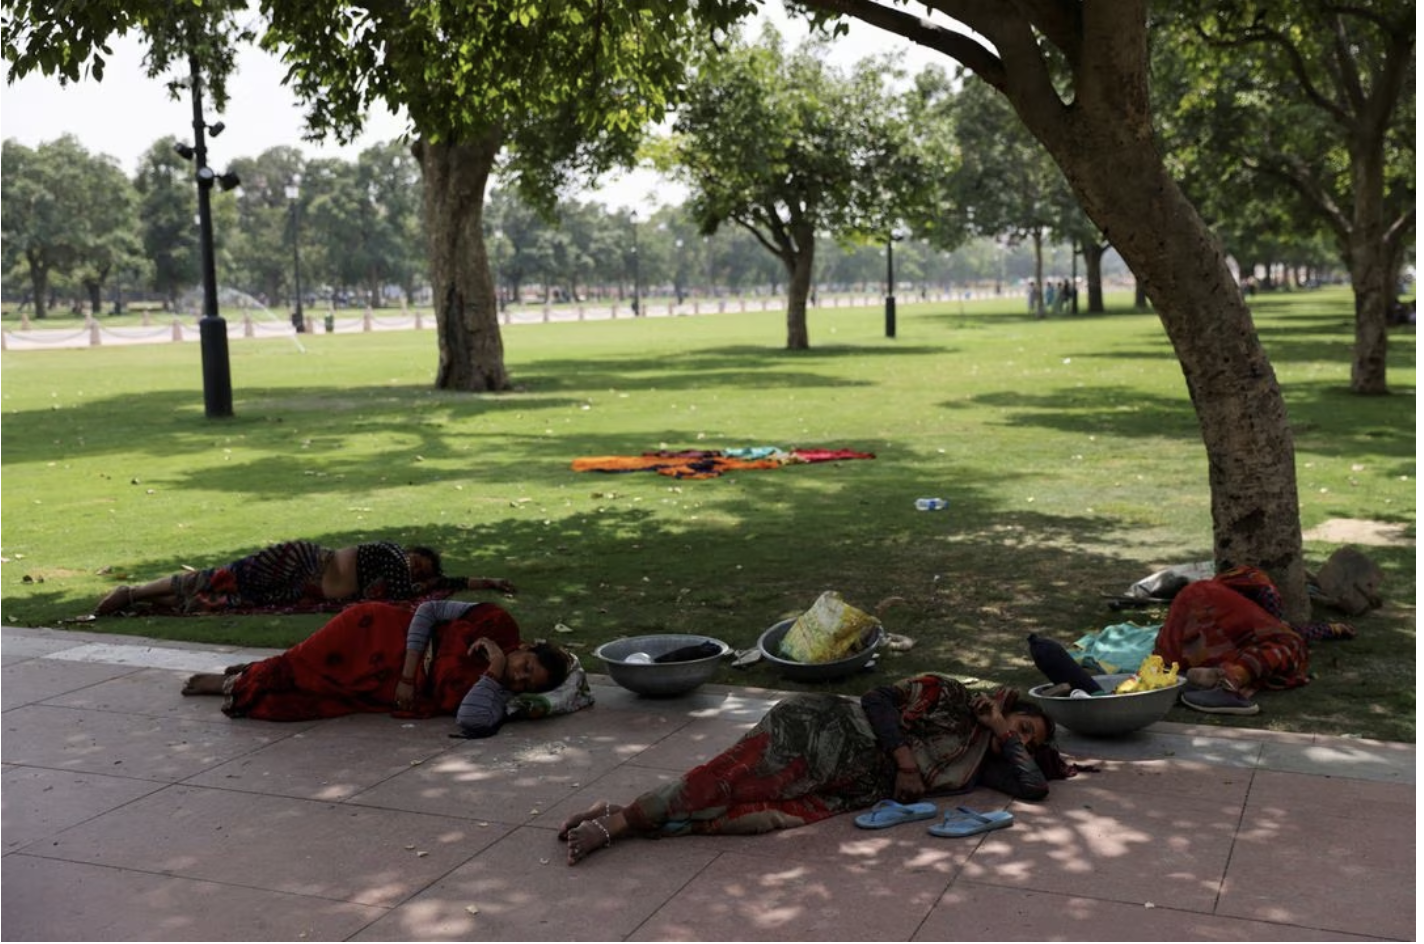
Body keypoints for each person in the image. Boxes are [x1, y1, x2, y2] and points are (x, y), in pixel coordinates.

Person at [561, 673, 1077, 865]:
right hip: (817, 733)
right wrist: (904, 761)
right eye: (1026, 727)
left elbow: (1032, 791)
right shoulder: (954, 696)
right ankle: (622, 822)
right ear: (1015, 703)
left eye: (1027, 742)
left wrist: (1006, 735)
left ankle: (622, 812)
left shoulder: (984, 762)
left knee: (749, 818)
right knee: (718, 782)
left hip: (842, 791)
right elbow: (876, 698)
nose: (1021, 741)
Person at [181, 599, 569, 736]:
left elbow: (471, 721)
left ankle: (249, 672)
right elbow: (429, 611)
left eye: (525, 681)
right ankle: (224, 682)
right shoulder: (498, 624)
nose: (518, 676)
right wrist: (407, 673)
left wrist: (496, 668)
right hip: (380, 633)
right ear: (526, 647)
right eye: (525, 665)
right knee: (296, 666)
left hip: (384, 686)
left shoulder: (496, 692)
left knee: (306, 695)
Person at [93, 540, 515, 616]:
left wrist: (490, 583)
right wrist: (431, 583)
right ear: (407, 552)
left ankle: (142, 601)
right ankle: (132, 590)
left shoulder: (395, 576)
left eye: (420, 571)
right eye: (416, 561)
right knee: (220, 579)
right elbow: (414, 592)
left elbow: (444, 582)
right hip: (300, 563)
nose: (413, 569)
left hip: (301, 587)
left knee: (228, 600)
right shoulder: (389, 554)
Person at [1153, 565, 1311, 716]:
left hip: (1174, 645)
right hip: (1204, 599)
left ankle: (1190, 678)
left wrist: (1334, 629)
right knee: (1291, 642)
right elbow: (1276, 625)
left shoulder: (1232, 594)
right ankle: (1228, 684)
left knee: (1267, 648)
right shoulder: (1258, 585)